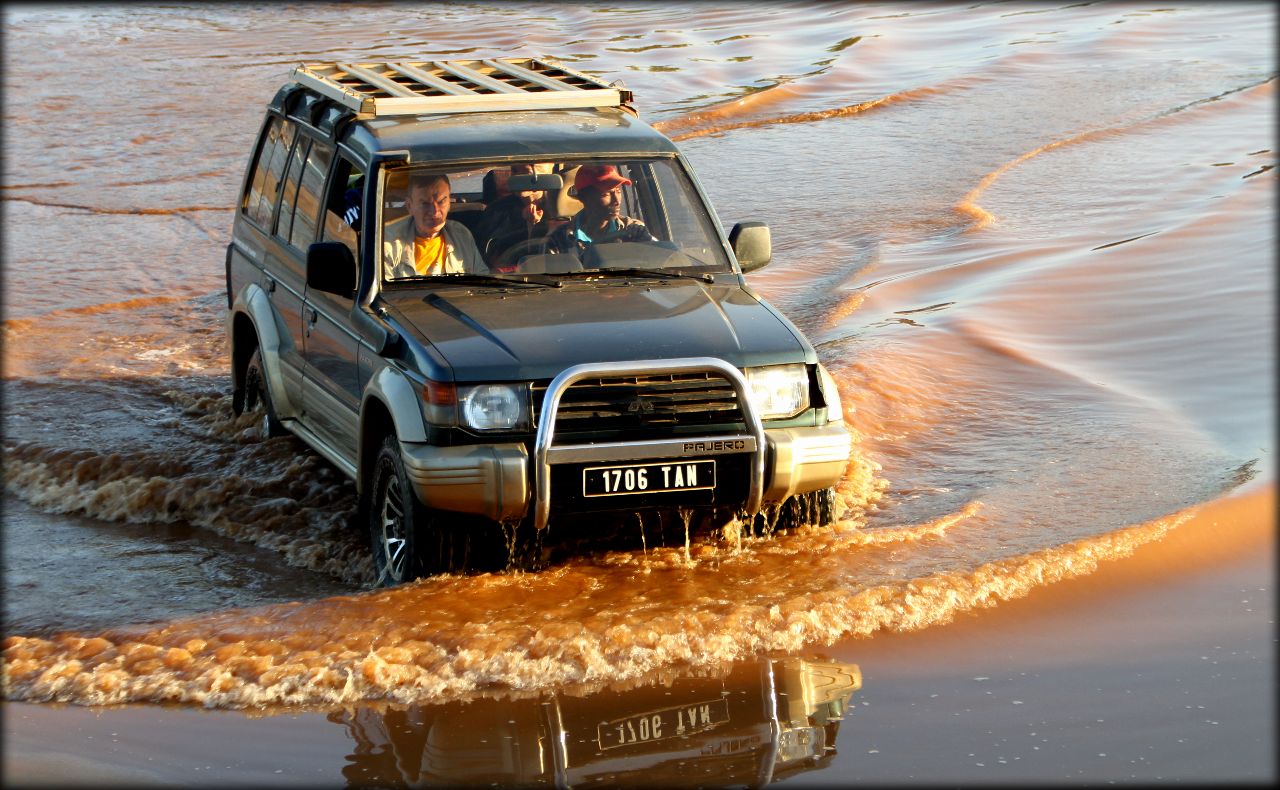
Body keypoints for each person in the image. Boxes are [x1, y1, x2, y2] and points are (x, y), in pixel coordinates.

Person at [381, 173, 484, 279]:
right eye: (425, 203)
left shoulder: (462, 236)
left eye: (441, 202)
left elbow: (483, 281)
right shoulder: (387, 243)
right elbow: (383, 294)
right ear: (409, 206)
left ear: (449, 202)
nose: (434, 212)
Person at [544, 164, 654, 257]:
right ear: (584, 197)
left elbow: (659, 263)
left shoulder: (633, 230)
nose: (616, 200)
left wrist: (645, 239)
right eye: (606, 194)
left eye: (618, 191)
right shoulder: (560, 239)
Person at [476, 163, 549, 267]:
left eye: (526, 173)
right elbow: (484, 255)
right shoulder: (496, 210)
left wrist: (533, 227)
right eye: (514, 171)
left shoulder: (558, 211)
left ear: (545, 177)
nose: (517, 177)